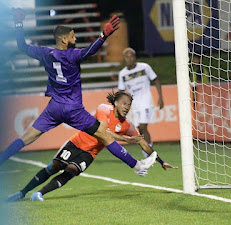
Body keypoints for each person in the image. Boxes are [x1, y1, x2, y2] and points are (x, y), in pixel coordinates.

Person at [0, 8, 155, 179]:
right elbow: (89, 51)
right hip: (73, 109)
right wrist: (104, 35)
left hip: (54, 108)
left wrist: (19, 23)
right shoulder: (72, 55)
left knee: (26, 138)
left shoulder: (44, 53)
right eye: (73, 36)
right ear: (64, 39)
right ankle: (137, 166)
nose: (75, 39)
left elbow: (22, 46)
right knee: (104, 135)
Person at [6, 91, 177, 202]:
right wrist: (126, 139)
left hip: (90, 153)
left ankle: (39, 194)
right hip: (76, 142)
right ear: (116, 102)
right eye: (124, 103)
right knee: (55, 166)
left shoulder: (127, 126)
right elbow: (104, 132)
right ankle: (22, 193)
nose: (127, 107)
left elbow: (142, 141)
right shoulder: (104, 109)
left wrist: (160, 160)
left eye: (129, 105)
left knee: (71, 171)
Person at [118, 48, 164, 158]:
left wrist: (160, 97)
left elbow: (156, 80)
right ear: (124, 59)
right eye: (127, 57)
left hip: (146, 101)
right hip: (135, 104)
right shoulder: (123, 74)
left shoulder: (144, 67)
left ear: (135, 57)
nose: (130, 58)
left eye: (132, 56)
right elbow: (121, 91)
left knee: (143, 127)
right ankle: (148, 149)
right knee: (139, 128)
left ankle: (148, 152)